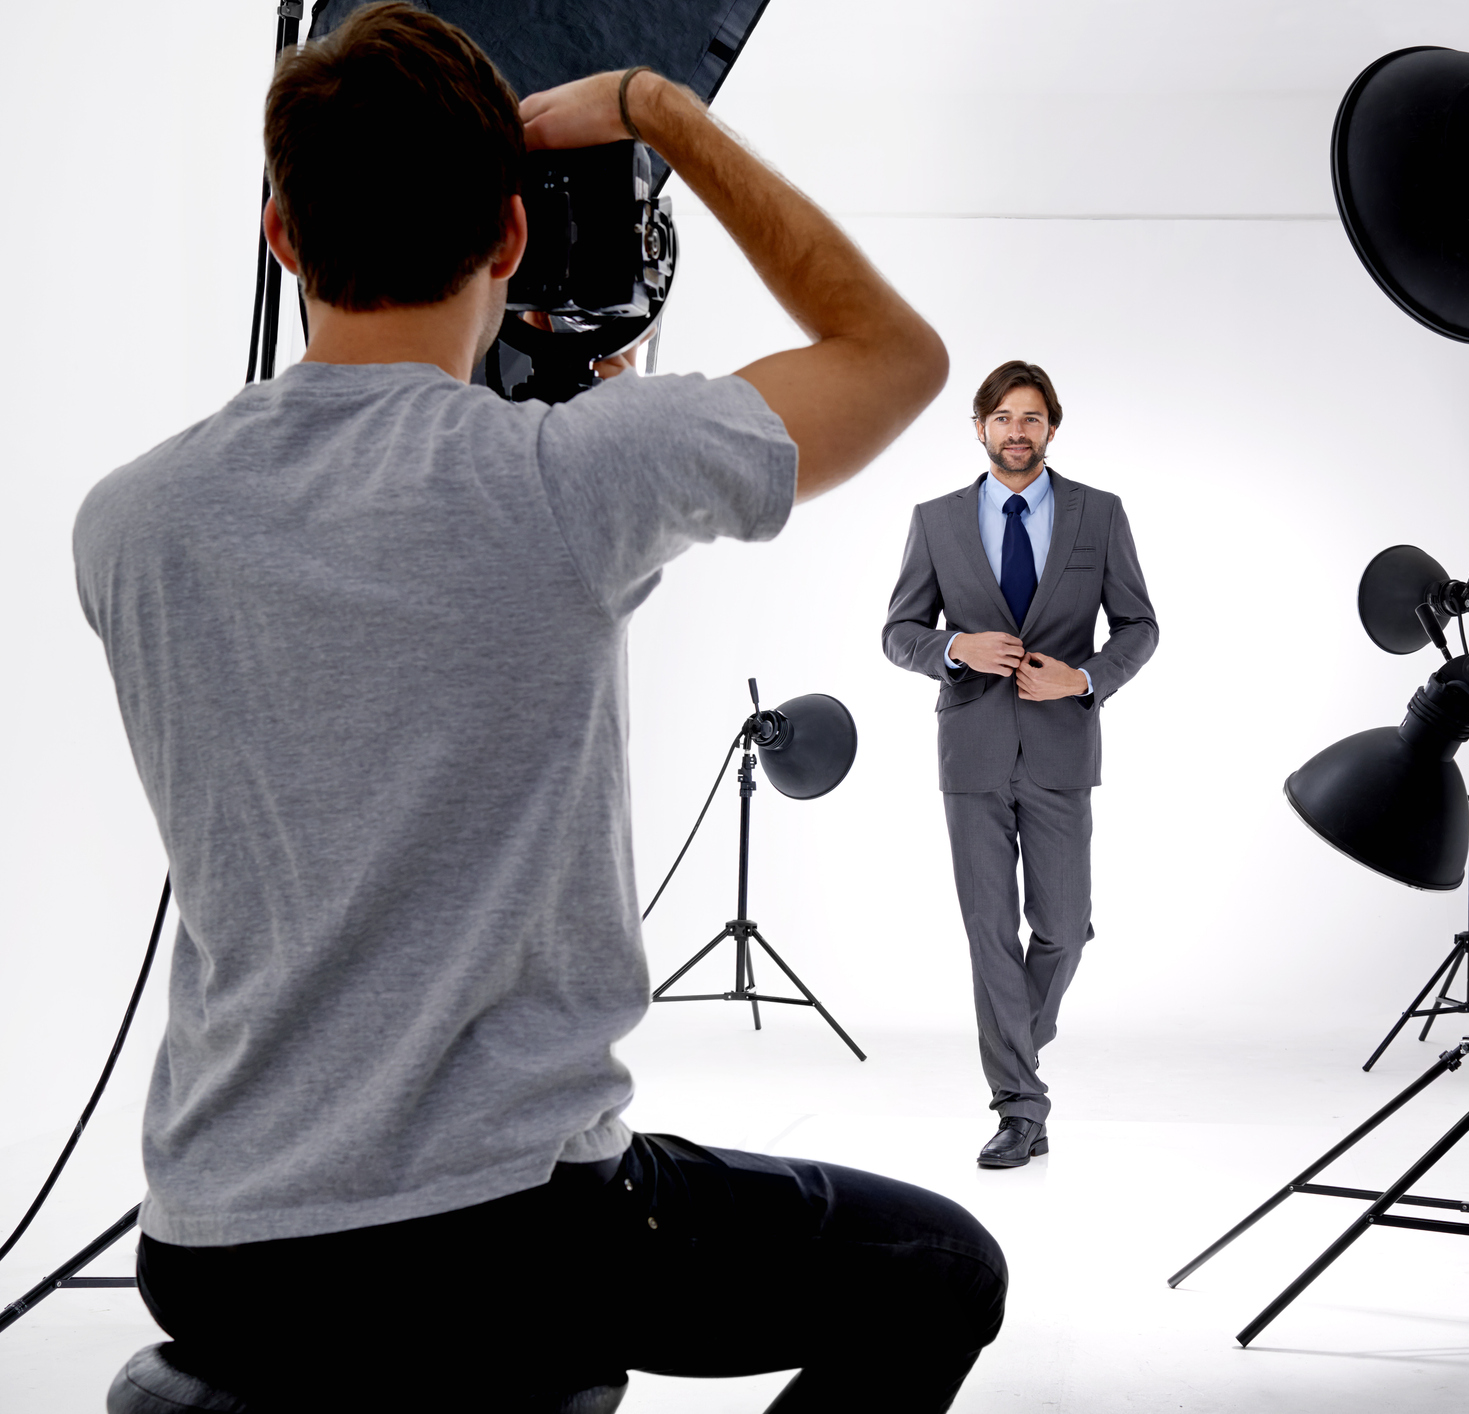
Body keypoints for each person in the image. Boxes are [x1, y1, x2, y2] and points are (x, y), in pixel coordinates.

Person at [73, 8, 1002, 1410]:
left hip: (213, 1242)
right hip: (497, 1239)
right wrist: (653, 111)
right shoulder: (579, 476)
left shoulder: (130, 521)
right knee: (942, 1269)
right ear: (509, 238)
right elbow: (894, 357)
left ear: (281, 233)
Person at [882, 362, 1159, 1168]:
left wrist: (1084, 678)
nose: (1015, 430)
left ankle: (1014, 1041)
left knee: (1065, 927)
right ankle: (1018, 1107)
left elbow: (1138, 626)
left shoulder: (1097, 515)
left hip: (1060, 749)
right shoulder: (935, 520)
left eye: (1030, 418)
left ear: (1050, 429)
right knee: (988, 933)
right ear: (979, 428)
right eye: (1001, 417)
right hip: (969, 752)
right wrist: (952, 649)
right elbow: (898, 632)